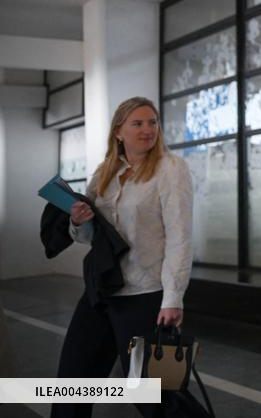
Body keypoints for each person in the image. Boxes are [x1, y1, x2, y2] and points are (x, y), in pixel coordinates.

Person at [56, 97, 193, 418]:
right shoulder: (106, 172)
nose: (148, 130)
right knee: (72, 382)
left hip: (145, 294)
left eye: (153, 122)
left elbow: (180, 236)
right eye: (138, 123)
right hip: (101, 289)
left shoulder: (170, 169)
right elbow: (91, 237)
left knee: (155, 395)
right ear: (118, 132)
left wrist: (173, 298)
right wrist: (77, 221)